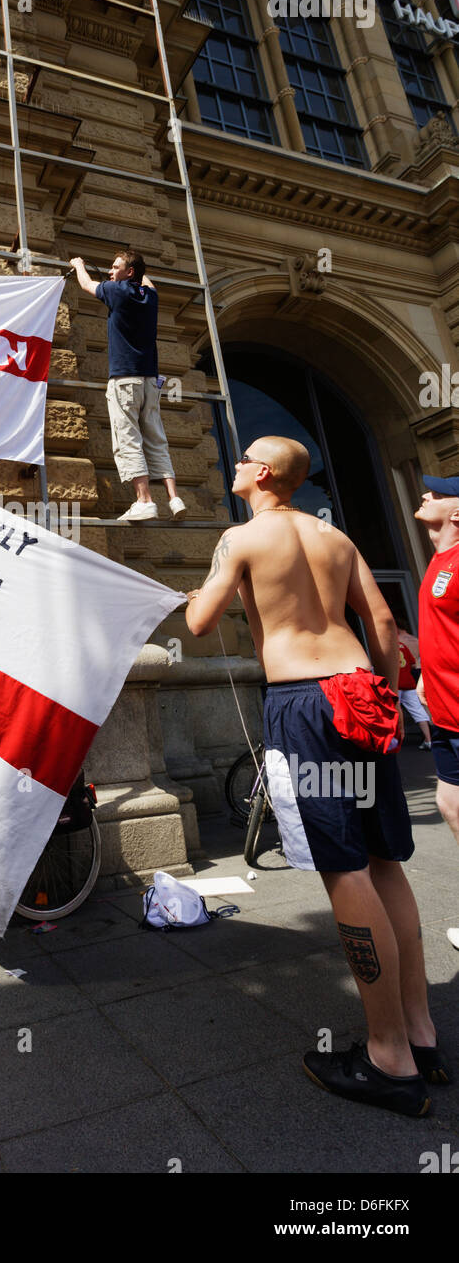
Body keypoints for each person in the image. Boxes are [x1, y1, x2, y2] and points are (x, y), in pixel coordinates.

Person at [185, 435, 450, 1115]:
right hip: (362, 689)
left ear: (265, 473)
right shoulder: (335, 538)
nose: (236, 465)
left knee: (345, 868)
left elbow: (198, 621)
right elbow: (384, 620)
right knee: (383, 858)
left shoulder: (241, 538)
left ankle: (388, 1059)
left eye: (244, 458)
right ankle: (420, 1034)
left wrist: (212, 588)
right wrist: (391, 695)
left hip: (306, 705)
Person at [68, 249, 186, 522]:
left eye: (115, 266)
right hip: (150, 381)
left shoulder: (116, 291)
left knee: (128, 440)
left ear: (129, 272)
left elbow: (86, 285)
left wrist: (78, 264)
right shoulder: (151, 298)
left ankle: (144, 501)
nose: (110, 271)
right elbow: (148, 283)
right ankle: (174, 498)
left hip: (125, 380)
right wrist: (138, 271)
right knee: (156, 439)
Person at [414, 475, 459, 952]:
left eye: (439, 493)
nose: (426, 494)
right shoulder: (439, 560)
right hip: (445, 711)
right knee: (449, 805)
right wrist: (427, 673)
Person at [393, 613, 431, 749]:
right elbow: (419, 660)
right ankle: (429, 737)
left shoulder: (396, 642)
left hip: (403, 675)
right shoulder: (415, 639)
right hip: (417, 672)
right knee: (421, 706)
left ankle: (398, 739)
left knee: (397, 708)